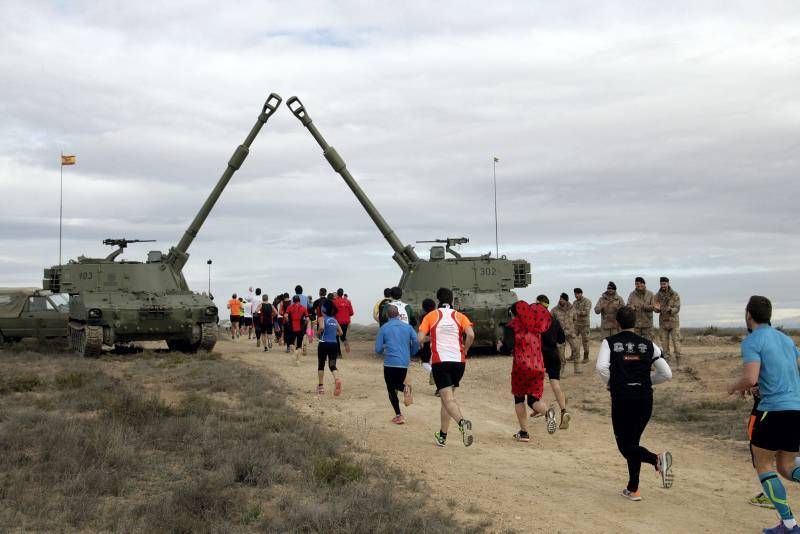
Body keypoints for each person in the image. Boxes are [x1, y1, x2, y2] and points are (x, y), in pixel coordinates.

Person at [727, 296, 800, 534]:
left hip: (772, 411)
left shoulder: (752, 341)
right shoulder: (785, 339)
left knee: (764, 464)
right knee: (787, 466)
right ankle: (787, 524)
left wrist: (733, 386)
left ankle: (789, 525)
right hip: (795, 408)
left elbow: (750, 377)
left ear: (748, 314)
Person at [596, 306, 674, 501]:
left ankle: (656, 459)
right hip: (645, 400)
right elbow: (666, 373)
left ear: (616, 323)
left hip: (623, 399)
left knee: (625, 446)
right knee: (633, 443)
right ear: (636, 322)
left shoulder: (610, 342)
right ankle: (633, 489)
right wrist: (646, 382)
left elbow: (601, 367)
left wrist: (613, 383)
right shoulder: (649, 345)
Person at [418, 287, 475, 448]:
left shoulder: (431, 315)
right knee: (447, 401)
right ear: (452, 300)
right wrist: (465, 349)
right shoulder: (460, 316)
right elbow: (470, 335)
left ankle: (463, 424)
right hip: (459, 362)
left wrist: (432, 336)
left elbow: (420, 338)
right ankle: (442, 436)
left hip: (440, 361)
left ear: (437, 299)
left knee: (448, 399)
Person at [497, 301, 556, 441]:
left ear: (513, 313)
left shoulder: (512, 326)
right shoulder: (536, 325)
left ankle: (524, 433)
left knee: (519, 398)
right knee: (533, 399)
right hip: (538, 366)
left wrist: (500, 346)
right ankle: (547, 413)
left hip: (521, 366)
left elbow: (508, 347)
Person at [376, 305, 420, 424]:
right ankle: (404, 388)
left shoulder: (384, 328)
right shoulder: (408, 327)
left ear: (387, 315)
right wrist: (412, 352)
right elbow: (416, 341)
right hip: (404, 362)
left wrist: (384, 349)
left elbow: (378, 349)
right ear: (399, 315)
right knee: (397, 383)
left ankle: (399, 415)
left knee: (391, 388)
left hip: (390, 362)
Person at [536, 295, 571, 430]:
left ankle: (537, 406)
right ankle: (564, 410)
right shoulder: (554, 321)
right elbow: (561, 340)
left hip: (539, 355)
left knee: (536, 383)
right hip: (553, 354)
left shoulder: (534, 321)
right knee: (555, 383)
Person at [551, 293, 581, 374]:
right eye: (560, 299)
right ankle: (562, 369)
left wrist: (571, 328)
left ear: (566, 300)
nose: (561, 300)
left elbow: (575, 319)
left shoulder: (572, 309)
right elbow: (551, 321)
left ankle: (577, 368)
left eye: (563, 299)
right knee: (560, 352)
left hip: (571, 333)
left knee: (576, 349)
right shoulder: (554, 310)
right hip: (560, 334)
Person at [654, 276, 682, 363]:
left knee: (676, 342)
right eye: (661, 284)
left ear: (668, 283)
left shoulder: (674, 294)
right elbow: (655, 308)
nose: (663, 285)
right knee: (664, 343)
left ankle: (679, 361)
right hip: (663, 323)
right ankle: (667, 362)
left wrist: (671, 310)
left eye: (664, 284)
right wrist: (657, 309)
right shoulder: (657, 296)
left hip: (673, 322)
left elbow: (677, 308)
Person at [316, 305, 343, 396]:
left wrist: (318, 333)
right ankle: (337, 379)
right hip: (334, 344)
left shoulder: (321, 318)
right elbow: (341, 332)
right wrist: (332, 334)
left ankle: (321, 387)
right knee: (332, 365)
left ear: (323, 311)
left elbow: (322, 327)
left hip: (323, 343)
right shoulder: (334, 320)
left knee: (321, 364)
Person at [627, 277, 655, 341]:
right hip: (636, 324)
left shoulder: (650, 294)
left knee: (648, 343)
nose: (638, 285)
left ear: (644, 284)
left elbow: (654, 307)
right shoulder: (632, 294)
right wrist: (631, 307)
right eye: (636, 284)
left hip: (648, 324)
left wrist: (645, 306)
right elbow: (628, 305)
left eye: (640, 283)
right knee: (635, 343)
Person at [418, 298, 437, 385]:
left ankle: (433, 372)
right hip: (437, 341)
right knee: (434, 361)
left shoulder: (423, 317)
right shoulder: (438, 315)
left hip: (427, 341)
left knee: (424, 362)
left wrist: (420, 342)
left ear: (423, 308)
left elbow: (422, 331)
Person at [285, 295, 308, 363]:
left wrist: (288, 321)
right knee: (299, 345)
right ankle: (298, 360)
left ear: (293, 301)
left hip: (292, 327)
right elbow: (307, 318)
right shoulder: (303, 308)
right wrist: (304, 324)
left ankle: (295, 353)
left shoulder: (289, 307)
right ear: (299, 301)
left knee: (291, 343)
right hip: (301, 328)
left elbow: (286, 316)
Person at [573, 288, 592, 362]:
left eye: (578, 294)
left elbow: (585, 312)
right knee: (574, 340)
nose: (576, 295)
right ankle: (573, 355)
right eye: (575, 294)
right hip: (576, 324)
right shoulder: (574, 302)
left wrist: (576, 312)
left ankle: (586, 357)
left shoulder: (587, 301)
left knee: (585, 341)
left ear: (581, 293)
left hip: (584, 324)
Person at [334, 288, 354, 353]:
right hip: (346, 322)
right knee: (343, 336)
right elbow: (351, 313)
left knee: (336, 337)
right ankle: (345, 342)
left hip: (338, 322)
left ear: (337, 294)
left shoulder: (335, 301)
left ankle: (339, 354)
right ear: (342, 294)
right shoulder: (348, 302)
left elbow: (332, 312)